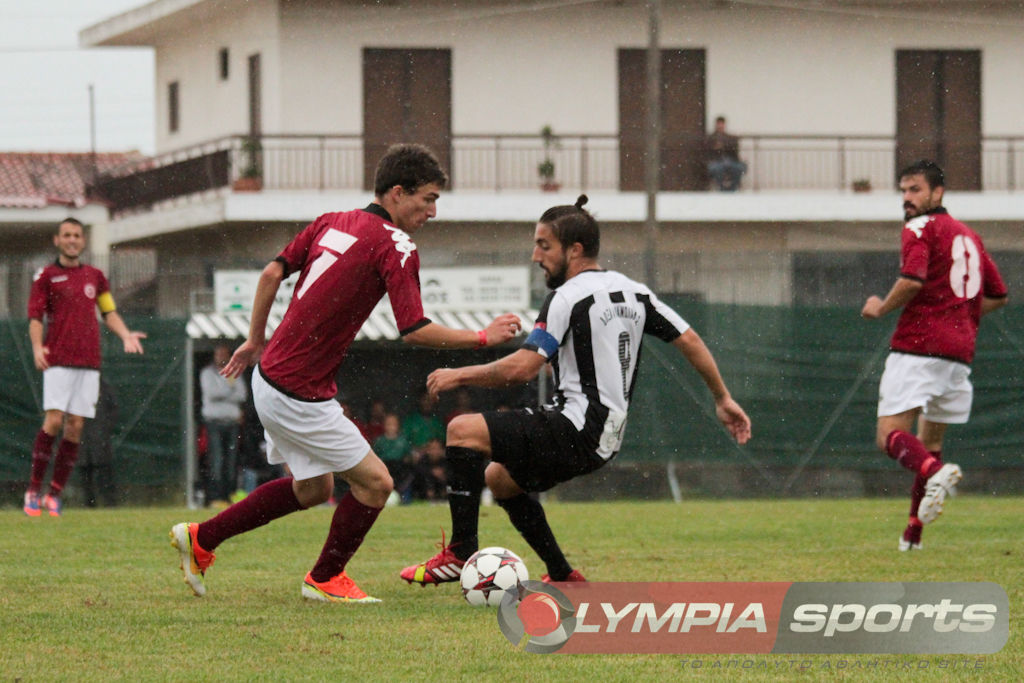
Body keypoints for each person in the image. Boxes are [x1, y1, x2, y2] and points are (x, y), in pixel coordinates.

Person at [170, 143, 522, 603]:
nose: (433, 211)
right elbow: (413, 330)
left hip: (272, 377)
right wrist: (483, 337)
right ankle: (325, 577)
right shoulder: (395, 244)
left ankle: (202, 537)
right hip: (297, 392)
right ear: (397, 192)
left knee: (314, 488)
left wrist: (256, 340)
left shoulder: (331, 220)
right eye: (428, 199)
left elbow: (271, 273)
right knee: (377, 484)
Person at [400, 195, 751, 585]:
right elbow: (690, 339)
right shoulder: (636, 292)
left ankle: (461, 551)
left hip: (575, 425)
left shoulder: (566, 297)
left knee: (461, 430)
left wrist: (458, 375)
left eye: (544, 245)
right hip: (606, 438)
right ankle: (563, 575)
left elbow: (521, 369)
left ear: (576, 249)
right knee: (500, 478)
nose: (536, 256)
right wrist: (722, 397)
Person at [861, 160, 1007, 551]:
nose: (907, 199)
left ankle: (936, 472)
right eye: (904, 190)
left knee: (889, 436)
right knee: (931, 440)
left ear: (937, 193)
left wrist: (880, 308)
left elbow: (911, 280)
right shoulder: (970, 236)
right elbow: (998, 295)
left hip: (918, 347)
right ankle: (914, 534)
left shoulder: (919, 228)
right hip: (959, 353)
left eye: (915, 190)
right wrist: (957, 310)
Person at [24, 218, 146, 517]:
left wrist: (126, 334)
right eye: (67, 235)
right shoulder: (46, 276)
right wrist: (38, 347)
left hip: (89, 362)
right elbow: (35, 318)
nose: (72, 240)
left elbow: (108, 311)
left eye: (77, 235)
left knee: (76, 426)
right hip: (58, 360)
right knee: (53, 421)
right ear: (57, 240)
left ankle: (54, 494)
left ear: (83, 241)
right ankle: (33, 491)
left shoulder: (96, 276)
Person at [199, 343, 248, 506]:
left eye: (224, 354)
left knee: (231, 461)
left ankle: (228, 496)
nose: (221, 357)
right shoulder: (207, 373)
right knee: (216, 460)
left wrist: (225, 393)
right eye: (218, 354)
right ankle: (215, 497)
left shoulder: (234, 372)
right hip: (214, 423)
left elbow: (242, 395)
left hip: (232, 424)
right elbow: (212, 393)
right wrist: (229, 391)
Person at [705, 116, 747, 191]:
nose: (720, 126)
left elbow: (734, 151)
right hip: (717, 161)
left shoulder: (730, 137)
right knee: (717, 169)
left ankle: (733, 189)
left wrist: (724, 146)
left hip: (731, 160)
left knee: (739, 168)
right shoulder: (710, 138)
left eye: (722, 124)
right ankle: (721, 188)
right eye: (719, 124)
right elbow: (708, 152)